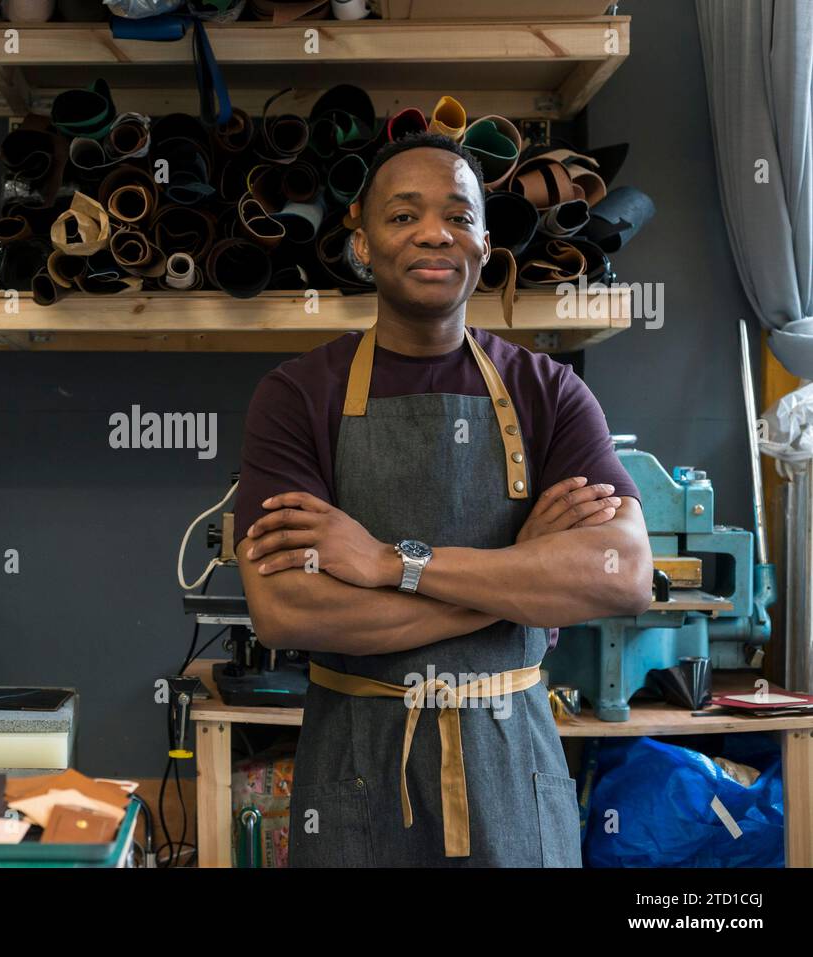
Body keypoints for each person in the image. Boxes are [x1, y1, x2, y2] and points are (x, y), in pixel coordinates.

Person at [234, 132, 652, 867]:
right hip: (354, 770)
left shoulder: (549, 392)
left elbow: (623, 575)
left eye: (460, 215)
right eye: (403, 215)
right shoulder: (295, 396)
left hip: (512, 766)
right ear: (361, 242)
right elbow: (287, 608)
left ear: (486, 244)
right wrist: (521, 579)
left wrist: (388, 562)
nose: (435, 232)